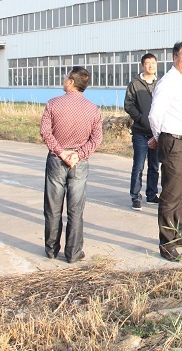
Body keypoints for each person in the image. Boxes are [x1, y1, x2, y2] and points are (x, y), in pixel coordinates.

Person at [40, 66, 103, 263]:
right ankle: (73, 252)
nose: (64, 79)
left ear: (71, 82)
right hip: (79, 162)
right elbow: (97, 139)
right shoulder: (93, 109)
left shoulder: (53, 104)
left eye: (66, 77)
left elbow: (45, 132)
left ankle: (51, 249)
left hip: (57, 160)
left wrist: (60, 152)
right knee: (75, 209)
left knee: (53, 207)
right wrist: (79, 155)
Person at [148, 41, 182, 261]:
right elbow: (155, 115)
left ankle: (180, 234)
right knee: (171, 195)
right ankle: (167, 243)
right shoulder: (168, 82)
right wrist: (160, 138)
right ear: (175, 57)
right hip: (174, 143)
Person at [124, 53, 160, 211]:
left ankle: (152, 194)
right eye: (148, 63)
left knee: (154, 166)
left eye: (153, 63)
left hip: (157, 132)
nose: (151, 66)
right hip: (140, 132)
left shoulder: (160, 84)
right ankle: (135, 196)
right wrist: (140, 118)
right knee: (138, 166)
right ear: (142, 65)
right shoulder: (135, 84)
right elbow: (128, 104)